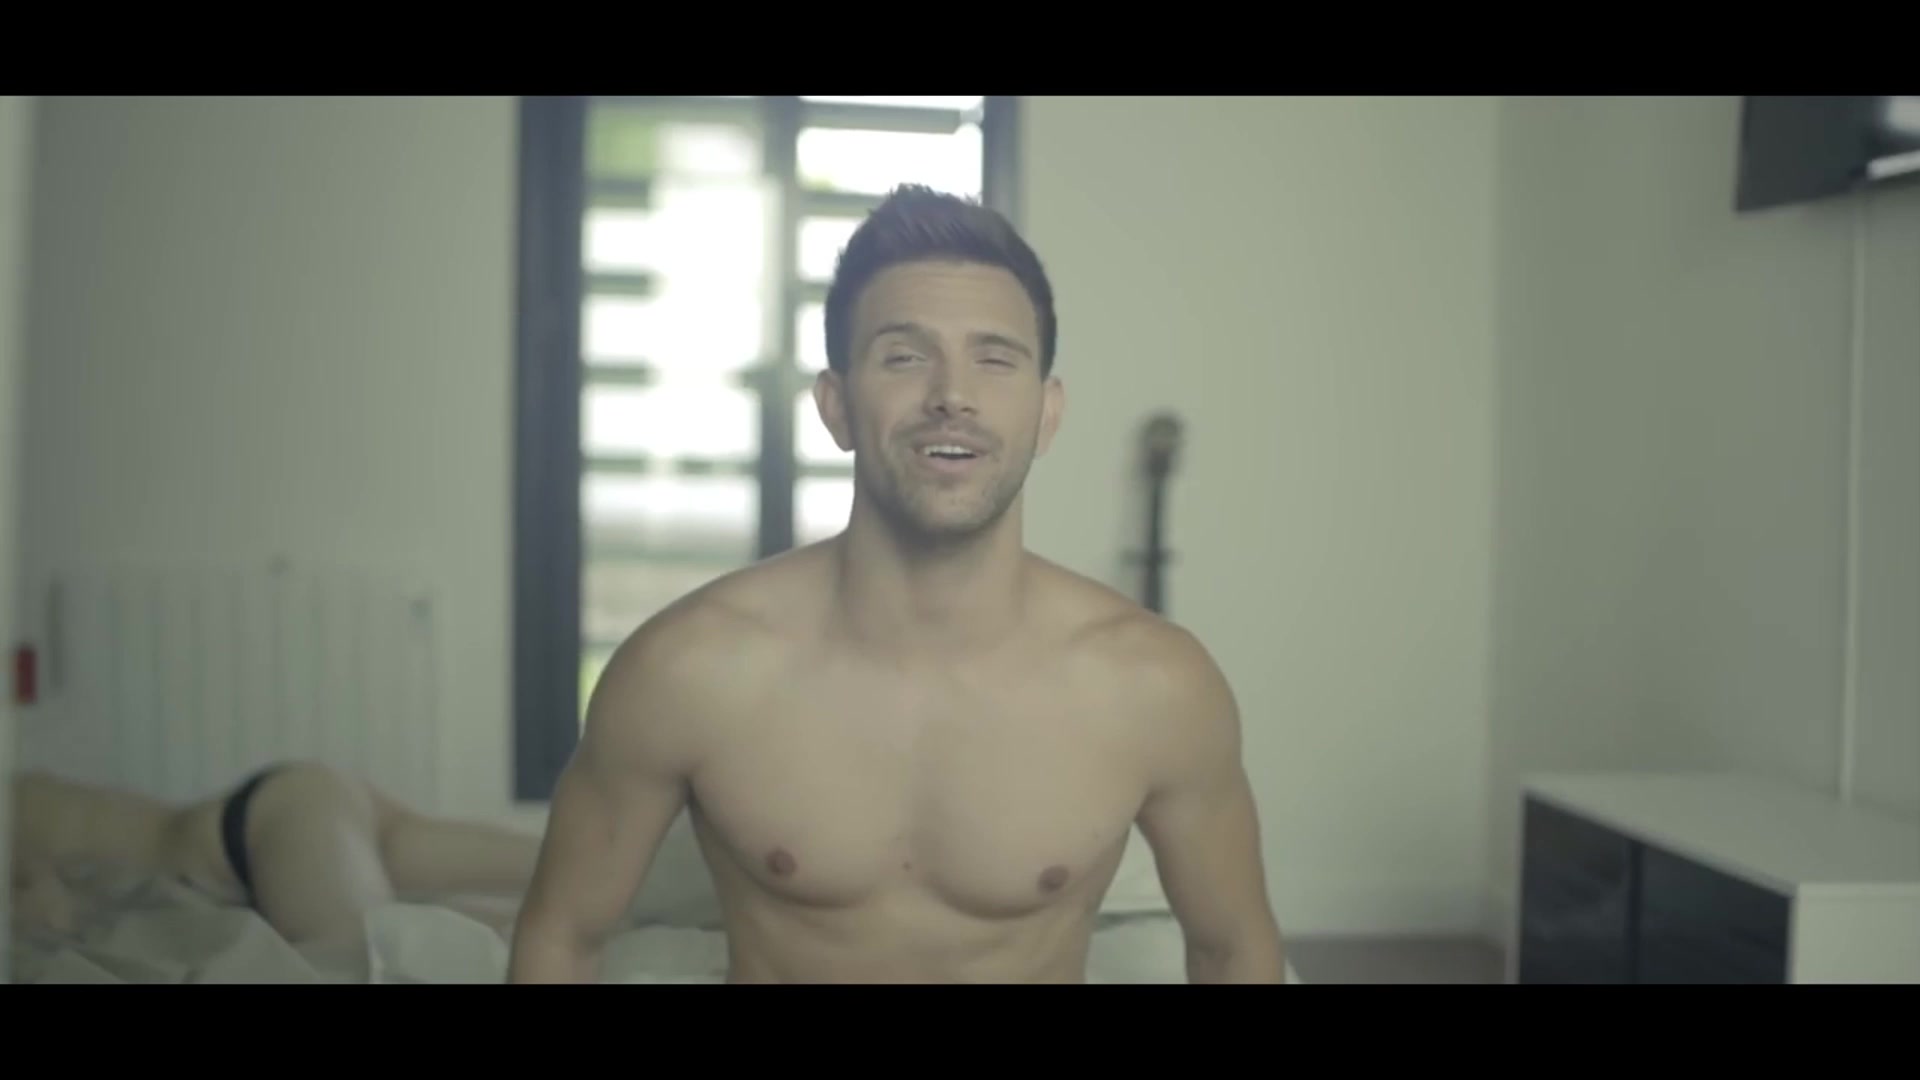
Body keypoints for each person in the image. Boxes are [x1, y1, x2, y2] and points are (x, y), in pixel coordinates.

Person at [509, 185, 1286, 984]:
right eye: (905, 357)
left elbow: (1232, 948)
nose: (952, 395)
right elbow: (561, 937)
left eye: (994, 359)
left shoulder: (1154, 684)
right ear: (837, 407)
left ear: (1046, 414)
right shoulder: (689, 669)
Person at [11, 762, 543, 944]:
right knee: (556, 879)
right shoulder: (26, 783)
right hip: (314, 797)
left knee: (371, 953)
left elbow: (46, 907)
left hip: (246, 837)